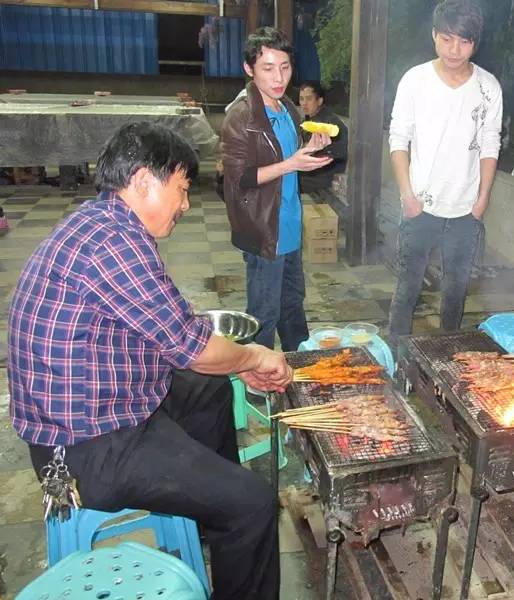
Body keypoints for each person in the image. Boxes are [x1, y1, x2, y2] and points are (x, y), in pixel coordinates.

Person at [7, 122, 293, 600]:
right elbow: (192, 347)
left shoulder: (102, 222)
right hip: (86, 449)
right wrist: (255, 354)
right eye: (182, 189)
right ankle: (231, 513)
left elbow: (173, 328)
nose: (186, 205)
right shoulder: (113, 244)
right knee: (255, 504)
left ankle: (213, 516)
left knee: (207, 388)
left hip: (97, 411)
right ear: (143, 181)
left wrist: (237, 364)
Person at [387, 0, 502, 347]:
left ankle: (446, 355)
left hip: (465, 209)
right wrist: (407, 195)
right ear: (434, 35)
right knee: (407, 288)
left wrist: (482, 199)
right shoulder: (415, 80)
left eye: (464, 41)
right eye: (447, 39)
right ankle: (398, 356)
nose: (455, 50)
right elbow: (398, 138)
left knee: (456, 290)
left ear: (475, 43)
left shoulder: (488, 87)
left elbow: (490, 144)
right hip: (420, 203)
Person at [221, 27, 332, 350]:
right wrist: (291, 164)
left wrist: (309, 149)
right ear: (249, 69)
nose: (278, 77)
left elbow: (287, 156)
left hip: (290, 224)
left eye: (285, 66)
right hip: (263, 228)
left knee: (293, 305)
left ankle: (299, 366)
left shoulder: (288, 108)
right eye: (268, 68)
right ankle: (257, 374)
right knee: (263, 313)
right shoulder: (241, 116)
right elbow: (239, 178)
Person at [297, 81, 348, 194]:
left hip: (323, 176)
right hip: (311, 172)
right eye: (301, 99)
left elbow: (338, 153)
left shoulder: (329, 123)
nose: (304, 103)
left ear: (319, 101)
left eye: (309, 99)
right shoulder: (308, 121)